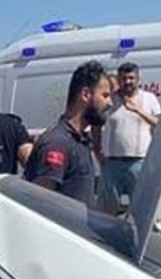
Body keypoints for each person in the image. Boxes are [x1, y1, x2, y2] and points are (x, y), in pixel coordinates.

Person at [25, 60, 112, 206]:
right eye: (105, 95)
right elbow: (40, 204)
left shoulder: (80, 140)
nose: (110, 103)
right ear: (85, 94)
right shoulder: (58, 143)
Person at [94, 62, 161, 213]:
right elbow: (96, 125)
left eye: (131, 78)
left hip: (139, 162)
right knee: (107, 210)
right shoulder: (110, 100)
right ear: (119, 79)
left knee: (141, 209)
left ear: (138, 79)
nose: (128, 82)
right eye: (124, 78)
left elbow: (159, 124)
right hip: (112, 163)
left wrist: (138, 110)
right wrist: (97, 151)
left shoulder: (149, 98)